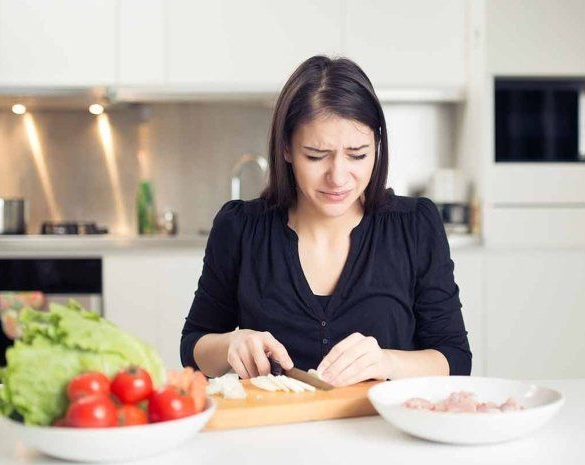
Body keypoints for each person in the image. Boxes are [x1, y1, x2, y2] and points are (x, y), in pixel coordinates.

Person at [180, 56, 471, 387]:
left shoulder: (414, 226)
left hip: (382, 421)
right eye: (316, 156)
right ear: (286, 148)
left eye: (358, 155)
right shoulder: (240, 229)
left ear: (377, 146)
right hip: (276, 421)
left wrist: (387, 361)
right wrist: (231, 343)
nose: (338, 177)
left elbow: (455, 359)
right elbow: (193, 348)